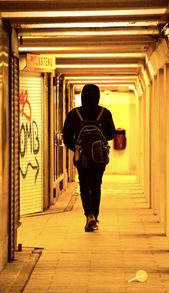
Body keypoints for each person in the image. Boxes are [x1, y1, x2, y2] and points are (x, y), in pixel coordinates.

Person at [63, 84, 115, 232]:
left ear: (82, 96)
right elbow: (111, 135)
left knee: (84, 185)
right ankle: (95, 217)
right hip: (99, 158)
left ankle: (89, 215)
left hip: (82, 159)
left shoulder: (74, 114)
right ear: (98, 96)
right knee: (96, 185)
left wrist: (77, 148)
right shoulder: (105, 113)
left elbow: (66, 138)